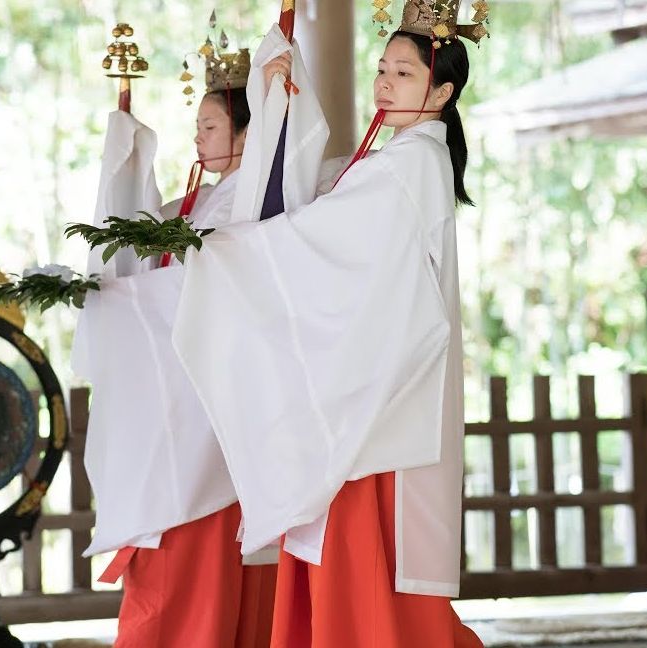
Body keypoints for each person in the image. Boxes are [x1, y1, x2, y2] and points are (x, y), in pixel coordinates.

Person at [169, 2, 488, 645]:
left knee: (362, 568)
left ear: (443, 89)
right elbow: (315, 199)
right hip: (374, 391)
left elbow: (323, 240)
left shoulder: (411, 163)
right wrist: (288, 101)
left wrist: (231, 253)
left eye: (403, 72)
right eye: (382, 69)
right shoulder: (401, 157)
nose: (384, 83)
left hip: (380, 404)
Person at [72, 33, 281, 648]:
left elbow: (212, 290)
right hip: (179, 391)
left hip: (210, 402)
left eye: (211, 126)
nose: (199, 139)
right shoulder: (197, 202)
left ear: (246, 135)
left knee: (196, 544)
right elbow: (141, 252)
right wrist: (127, 155)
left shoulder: (252, 204)